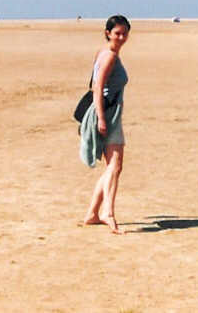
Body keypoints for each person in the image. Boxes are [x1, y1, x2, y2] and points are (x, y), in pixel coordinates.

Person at [79, 15, 131, 234]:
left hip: (108, 113)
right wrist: (101, 118)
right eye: (117, 33)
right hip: (107, 114)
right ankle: (107, 213)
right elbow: (98, 87)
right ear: (108, 33)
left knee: (113, 166)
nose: (121, 37)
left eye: (125, 33)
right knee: (115, 166)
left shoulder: (104, 53)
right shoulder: (109, 56)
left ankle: (93, 213)